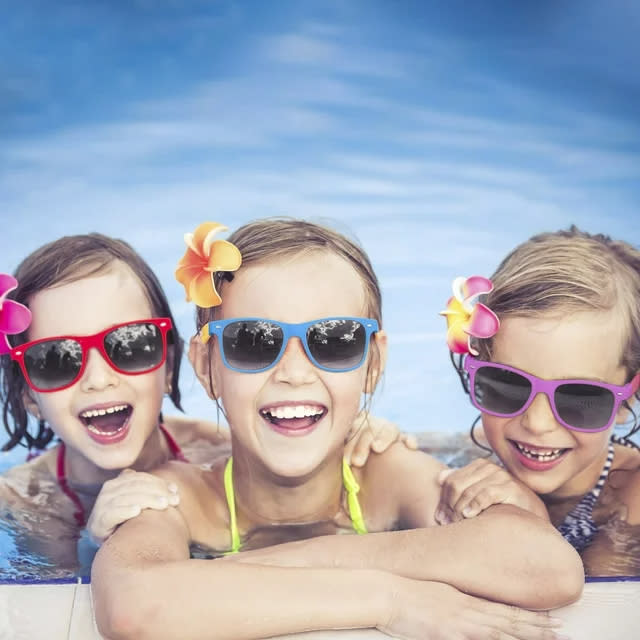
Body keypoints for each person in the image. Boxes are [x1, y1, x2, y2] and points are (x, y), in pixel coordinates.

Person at [92, 219, 582, 640]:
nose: (295, 372)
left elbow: (546, 564)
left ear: (373, 364)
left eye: (334, 340)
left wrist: (254, 570)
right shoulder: (179, 497)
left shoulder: (383, 474)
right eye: (254, 342)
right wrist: (386, 598)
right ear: (206, 366)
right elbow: (133, 605)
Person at [0, 233, 407, 572]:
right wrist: (90, 545)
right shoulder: (25, 503)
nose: (99, 379)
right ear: (27, 396)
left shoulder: (211, 447)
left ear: (170, 364)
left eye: (131, 346)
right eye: (55, 360)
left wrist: (368, 431)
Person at [437, 226, 640, 576]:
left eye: (580, 396)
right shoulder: (479, 461)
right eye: (507, 385)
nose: (537, 422)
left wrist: (531, 523)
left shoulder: (631, 500)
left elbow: (587, 608)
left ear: (627, 400)